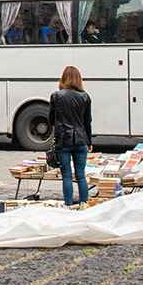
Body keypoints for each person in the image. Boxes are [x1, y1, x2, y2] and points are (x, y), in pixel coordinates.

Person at [49, 66, 93, 207]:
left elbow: (51, 120)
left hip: (64, 140)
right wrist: (89, 142)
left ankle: (68, 204)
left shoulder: (56, 96)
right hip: (81, 139)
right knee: (81, 175)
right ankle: (83, 204)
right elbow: (87, 122)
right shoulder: (85, 97)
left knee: (66, 175)